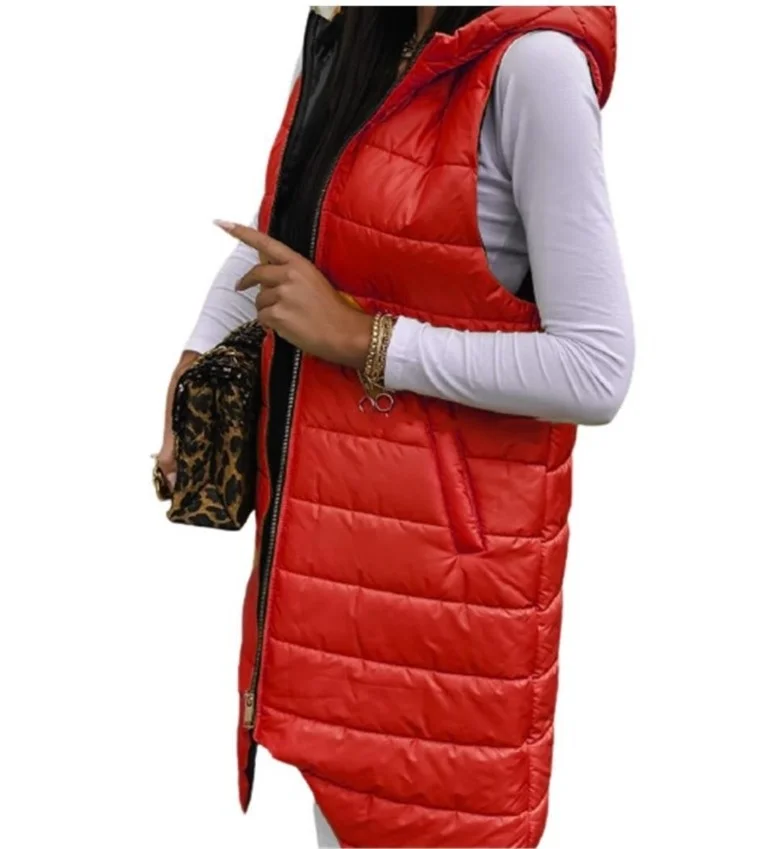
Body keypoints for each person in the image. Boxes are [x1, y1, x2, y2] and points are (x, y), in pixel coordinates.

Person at [155, 6, 633, 847]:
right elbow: (288, 228)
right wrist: (194, 359)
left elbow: (597, 367)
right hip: (330, 585)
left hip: (449, 608)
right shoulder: (358, 31)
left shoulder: (535, 67)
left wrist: (363, 340)